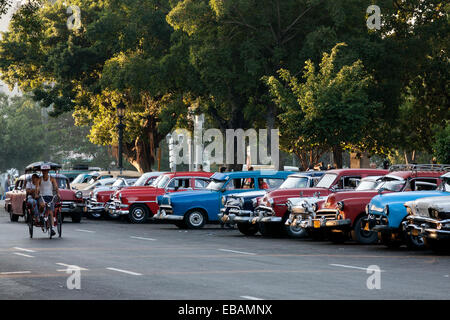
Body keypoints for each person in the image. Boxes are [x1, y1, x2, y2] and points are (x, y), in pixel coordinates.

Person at [37, 169, 61, 236]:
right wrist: (36, 192)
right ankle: (41, 215)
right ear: (42, 171)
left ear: (48, 171)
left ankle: (52, 228)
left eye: (46, 171)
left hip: (50, 196)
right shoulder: (39, 179)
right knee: (42, 205)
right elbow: (37, 187)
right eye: (43, 171)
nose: (44, 172)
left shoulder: (52, 179)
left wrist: (58, 193)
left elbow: (56, 187)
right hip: (42, 196)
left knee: (50, 212)